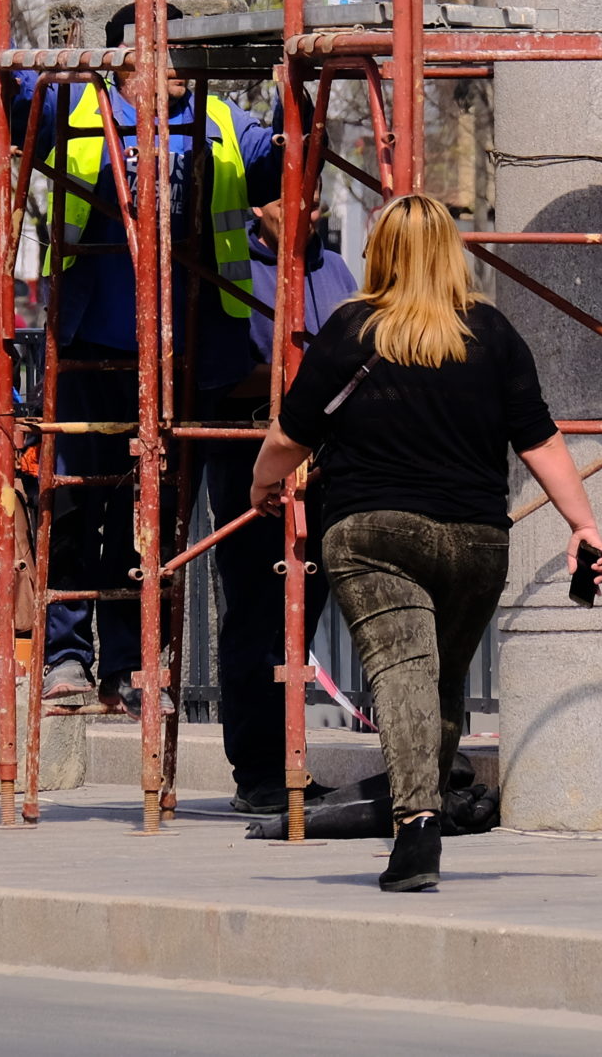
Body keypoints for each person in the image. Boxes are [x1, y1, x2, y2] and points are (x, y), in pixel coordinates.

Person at [250, 195, 602, 893]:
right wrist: (583, 523)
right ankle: (425, 808)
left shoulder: (352, 329)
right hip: (477, 541)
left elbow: (290, 435)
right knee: (438, 680)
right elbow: (540, 438)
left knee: (403, 672)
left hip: (373, 534)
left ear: (379, 251)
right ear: (453, 252)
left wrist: (264, 484)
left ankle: (416, 825)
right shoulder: (493, 334)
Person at [0, 0, 281, 715]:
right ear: (121, 63)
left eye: (176, 50)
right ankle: (70, 659)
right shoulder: (79, 114)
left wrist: (303, 78)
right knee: (75, 503)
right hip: (92, 347)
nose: (168, 65)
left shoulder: (220, 123)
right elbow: (2, 91)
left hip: (191, 359)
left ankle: (141, 661)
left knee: (160, 523)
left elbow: (287, 157)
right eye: (152, 50)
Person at [195, 195, 358, 813]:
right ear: (254, 204)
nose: (306, 209)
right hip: (253, 452)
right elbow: (213, 375)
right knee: (258, 612)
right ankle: (260, 770)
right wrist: (300, 383)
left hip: (323, 455)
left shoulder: (336, 270)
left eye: (315, 197)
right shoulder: (229, 270)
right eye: (288, 195)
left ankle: (290, 761)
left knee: (304, 612)